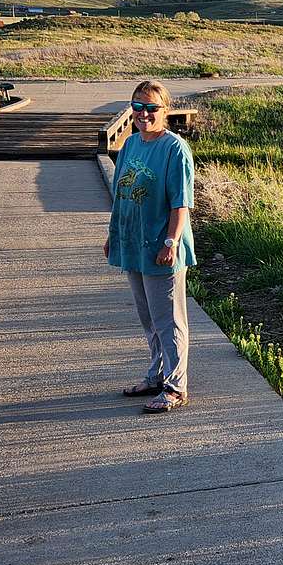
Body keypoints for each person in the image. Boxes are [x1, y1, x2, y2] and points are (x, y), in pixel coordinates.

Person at [104, 80, 197, 413]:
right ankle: (156, 375)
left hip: (162, 246)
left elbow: (180, 203)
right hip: (133, 243)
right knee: (148, 317)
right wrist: (113, 235)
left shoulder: (174, 149)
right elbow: (121, 195)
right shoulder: (130, 145)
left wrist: (171, 241)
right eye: (138, 107)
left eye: (151, 108)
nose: (144, 114)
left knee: (169, 319)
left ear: (165, 110)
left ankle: (175, 386)